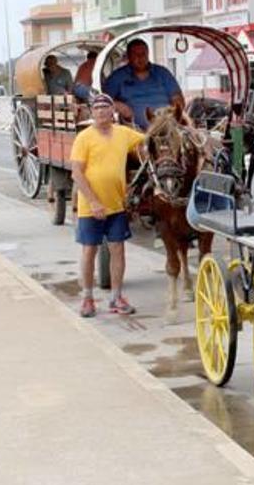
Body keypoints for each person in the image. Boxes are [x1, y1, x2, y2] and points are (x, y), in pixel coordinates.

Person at [70, 93, 148, 318]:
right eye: (97, 108)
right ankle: (87, 298)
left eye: (106, 108)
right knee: (89, 251)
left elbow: (147, 139)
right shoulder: (84, 138)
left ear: (112, 112)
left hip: (116, 206)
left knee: (118, 250)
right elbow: (76, 173)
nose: (102, 112)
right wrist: (93, 202)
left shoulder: (123, 134)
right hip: (91, 207)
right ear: (92, 113)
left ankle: (116, 297)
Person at [103, 39, 184, 131]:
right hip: (134, 131)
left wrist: (175, 111)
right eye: (136, 54)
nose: (140, 57)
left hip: (166, 128)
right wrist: (118, 105)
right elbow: (104, 101)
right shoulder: (117, 77)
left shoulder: (162, 73)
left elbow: (177, 97)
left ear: (148, 54)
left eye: (143, 54)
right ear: (128, 56)